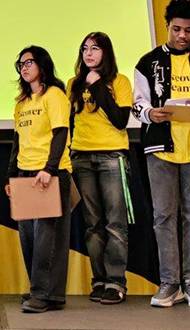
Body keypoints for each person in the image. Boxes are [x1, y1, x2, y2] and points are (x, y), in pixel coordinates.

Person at [133, 0, 190, 308]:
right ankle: (168, 282)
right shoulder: (148, 62)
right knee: (163, 216)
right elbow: (138, 104)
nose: (182, 36)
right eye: (177, 29)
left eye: (188, 30)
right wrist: (151, 114)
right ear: (167, 27)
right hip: (160, 148)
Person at [6, 46, 72, 313]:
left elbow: (60, 133)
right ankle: (44, 291)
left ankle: (43, 293)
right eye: (20, 63)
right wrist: (11, 176)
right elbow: (16, 141)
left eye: (29, 62)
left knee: (49, 237)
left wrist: (50, 168)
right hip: (25, 173)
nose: (24, 67)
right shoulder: (22, 102)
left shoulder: (54, 95)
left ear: (42, 64)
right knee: (29, 238)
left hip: (49, 173)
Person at [68, 32, 132, 305]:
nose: (88, 53)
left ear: (106, 52)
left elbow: (120, 120)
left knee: (115, 223)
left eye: (95, 48)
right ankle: (99, 280)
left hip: (111, 156)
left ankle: (116, 282)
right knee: (92, 224)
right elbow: (71, 122)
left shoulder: (120, 82)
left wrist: (98, 88)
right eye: (84, 49)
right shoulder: (74, 83)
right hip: (81, 157)